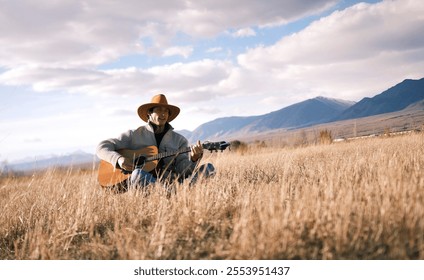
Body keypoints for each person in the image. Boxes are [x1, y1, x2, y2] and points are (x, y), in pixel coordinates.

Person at [96, 94, 215, 192]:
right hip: (147, 182)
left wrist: (194, 159)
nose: (163, 114)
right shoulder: (134, 135)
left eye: (166, 111)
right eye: (158, 110)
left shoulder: (180, 140)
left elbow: (183, 171)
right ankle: (173, 193)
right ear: (149, 113)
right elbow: (102, 147)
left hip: (174, 182)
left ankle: (174, 192)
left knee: (209, 168)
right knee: (137, 173)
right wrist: (119, 160)